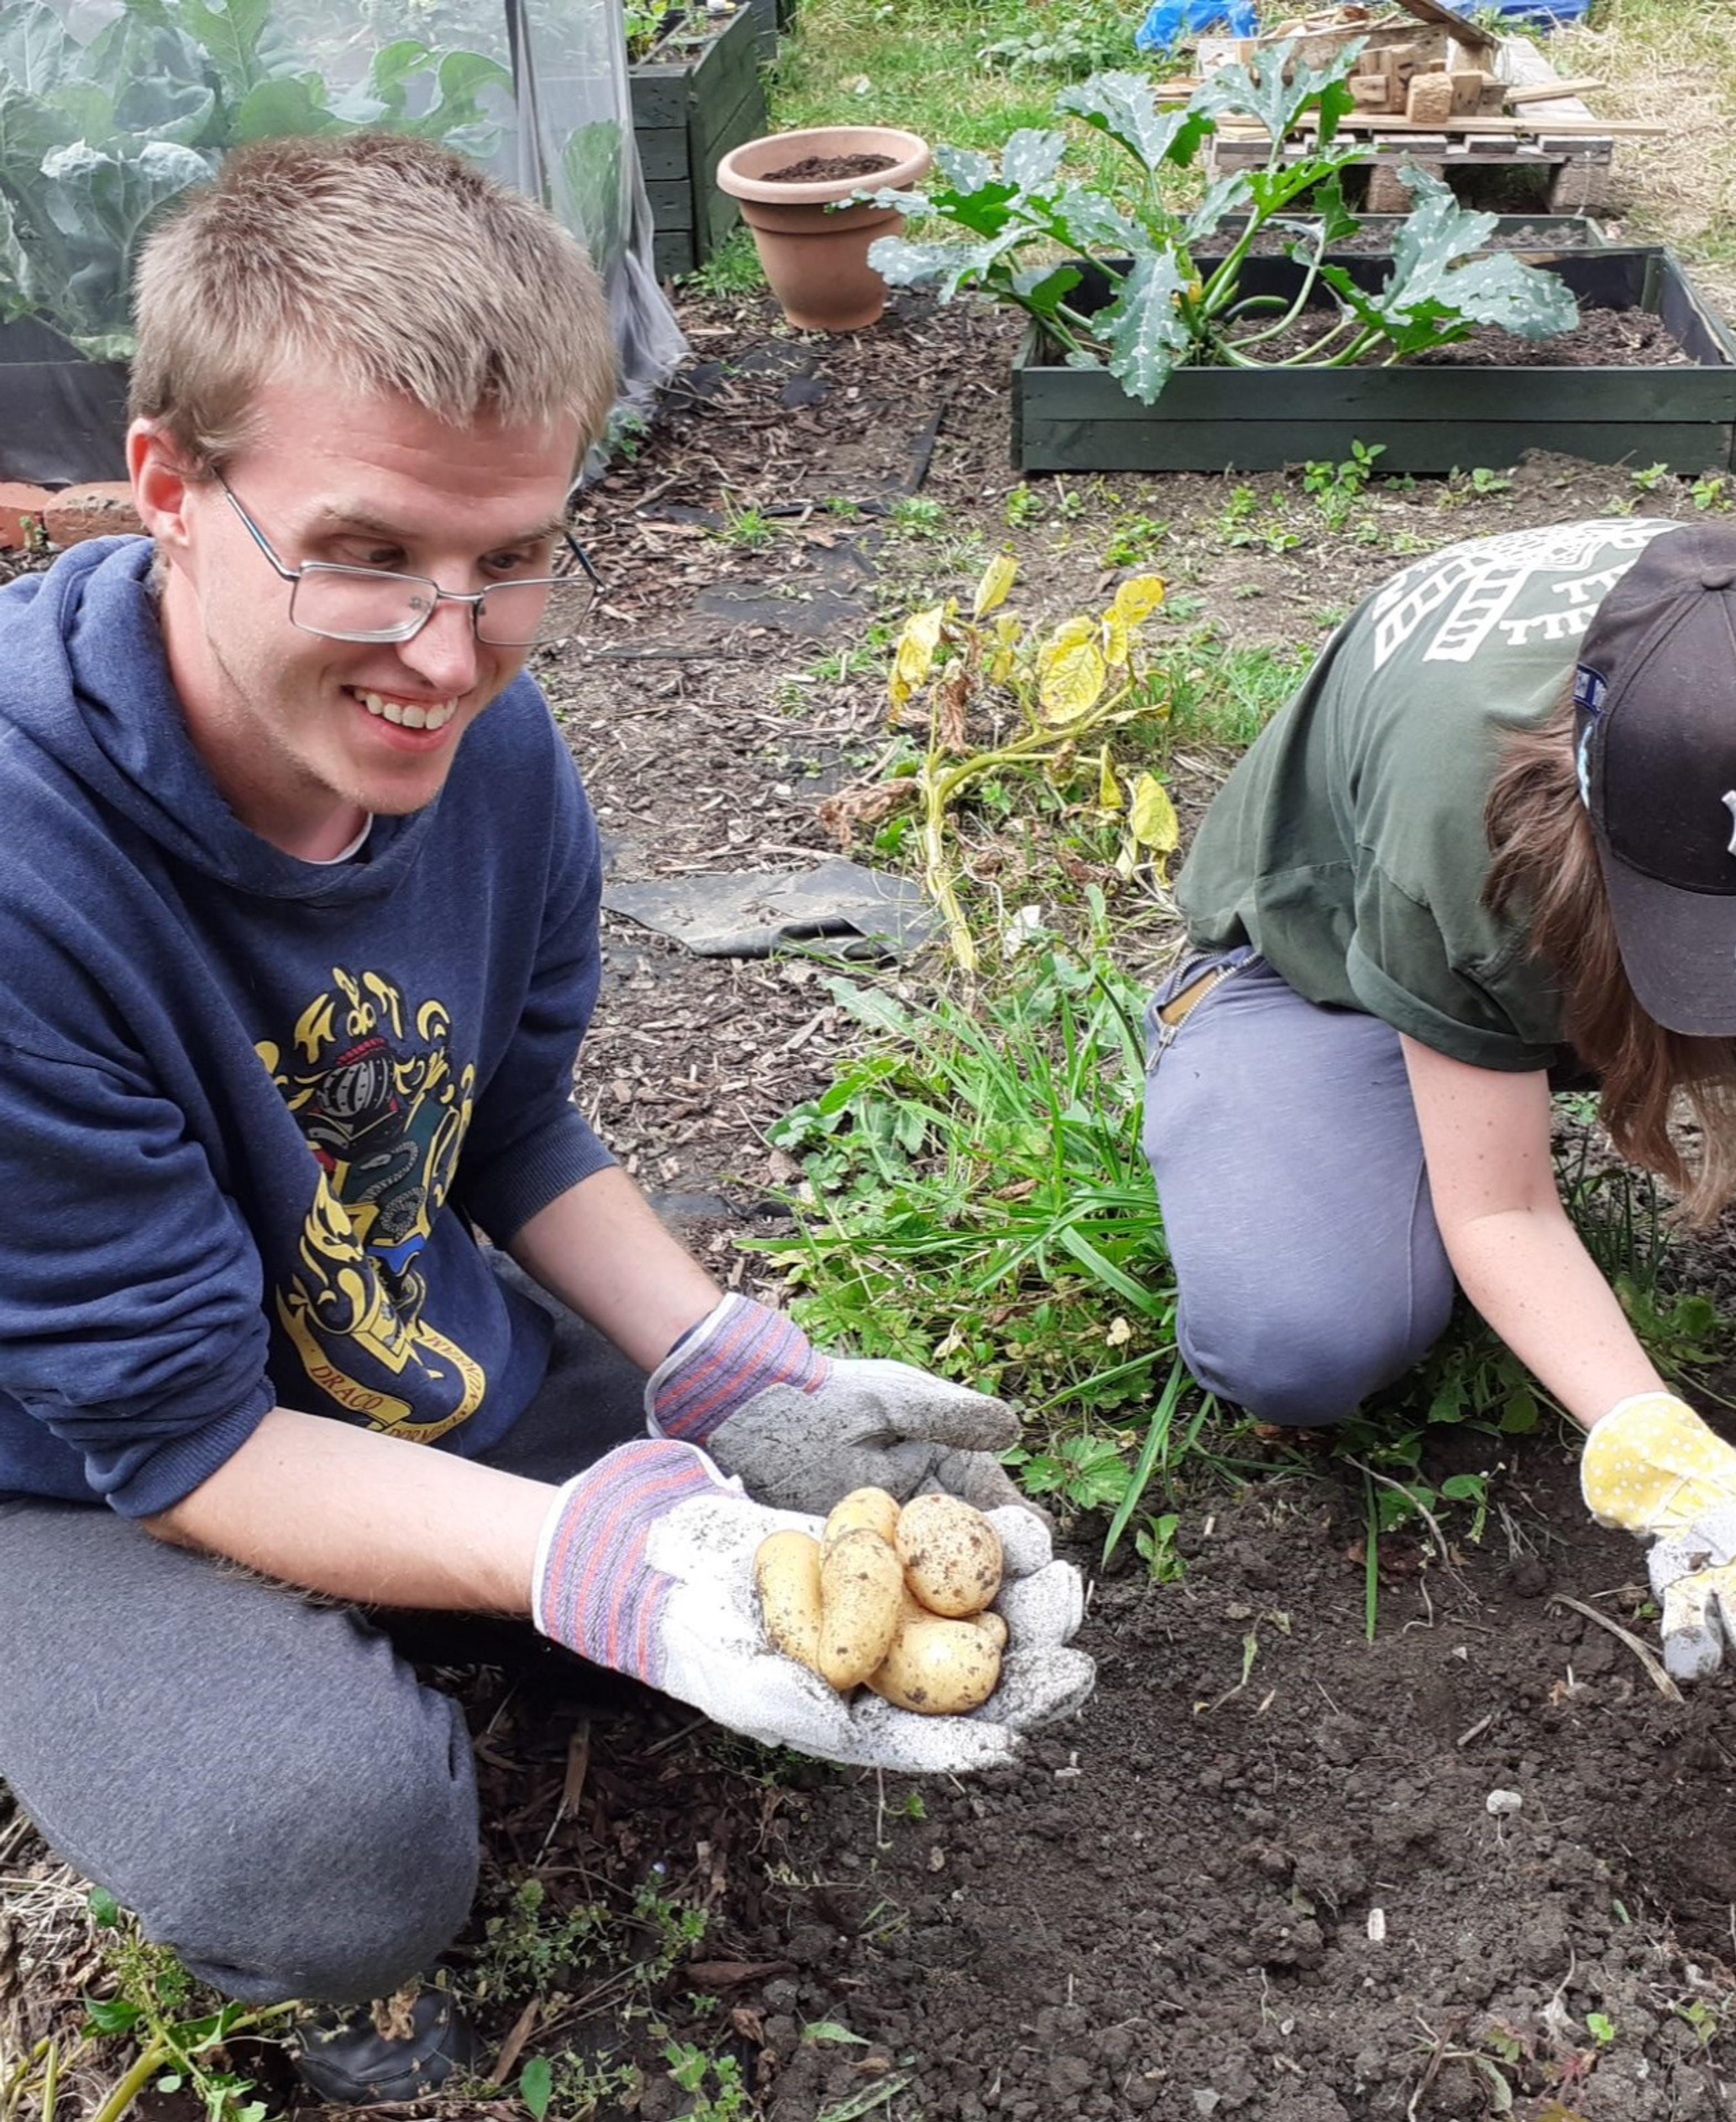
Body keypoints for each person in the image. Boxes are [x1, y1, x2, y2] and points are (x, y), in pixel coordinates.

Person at [0, 134, 1090, 2102]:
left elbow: (506, 1131)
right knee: (335, 1852)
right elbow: (174, 1436)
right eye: (369, 554)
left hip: (348, 1312)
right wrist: (596, 1557)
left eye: (513, 559)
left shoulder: (479, 746)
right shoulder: (23, 876)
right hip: (67, 1455)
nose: (449, 652)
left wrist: (718, 1364)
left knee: (805, 1510)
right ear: (169, 485)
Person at [1147, 516, 1736, 1710]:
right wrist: (1671, 1467)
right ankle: (1255, 1074)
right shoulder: (1464, 816)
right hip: (1333, 970)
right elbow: (1501, 1207)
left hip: (1588, 902)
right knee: (1297, 1342)